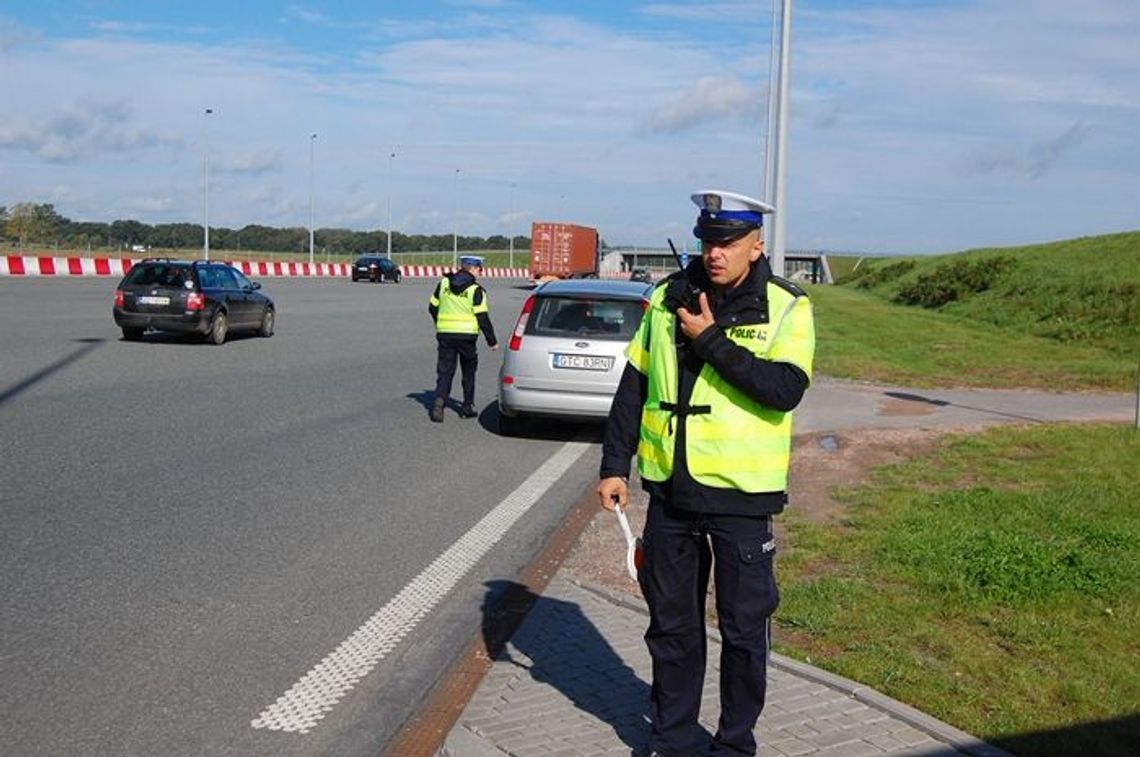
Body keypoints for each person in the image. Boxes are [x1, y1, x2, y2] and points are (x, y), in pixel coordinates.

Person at [597, 190, 815, 756]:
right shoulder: (667, 297)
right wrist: (614, 465)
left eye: (728, 242)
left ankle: (735, 745)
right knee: (672, 631)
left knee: (744, 636)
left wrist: (710, 340)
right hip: (671, 494)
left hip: (742, 500)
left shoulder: (787, 306)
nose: (715, 253)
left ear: (755, 245)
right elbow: (634, 385)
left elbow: (783, 391)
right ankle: (671, 740)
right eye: (707, 242)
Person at [428, 255, 499, 422]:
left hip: (445, 334)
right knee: (468, 371)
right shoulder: (476, 290)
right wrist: (492, 341)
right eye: (480, 269)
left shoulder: (444, 283)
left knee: (445, 371)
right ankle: (467, 407)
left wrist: (441, 323)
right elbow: (482, 317)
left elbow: (432, 307)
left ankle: (439, 402)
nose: (480, 273)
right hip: (467, 337)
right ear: (473, 269)